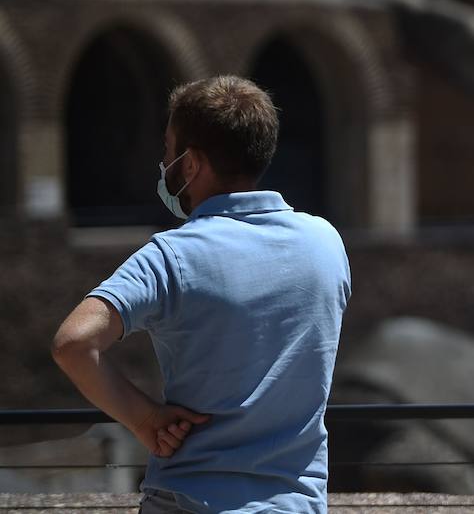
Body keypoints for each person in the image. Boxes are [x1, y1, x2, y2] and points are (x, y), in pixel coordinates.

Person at [51, 76, 351, 514]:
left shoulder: (171, 256)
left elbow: (73, 343)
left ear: (190, 165)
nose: (165, 163)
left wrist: (145, 419)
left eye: (168, 151)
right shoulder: (326, 241)